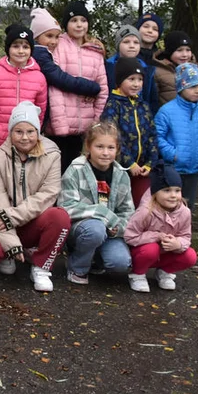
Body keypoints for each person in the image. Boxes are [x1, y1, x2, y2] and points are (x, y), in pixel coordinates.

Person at [0, 102, 71, 293]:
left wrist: (14, 216)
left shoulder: (52, 155)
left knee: (60, 217)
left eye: (30, 131)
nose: (25, 137)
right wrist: (11, 242)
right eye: (18, 131)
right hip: (1, 218)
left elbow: (48, 194)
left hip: (31, 219)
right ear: (11, 132)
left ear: (38, 132)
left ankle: (41, 267)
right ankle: (9, 254)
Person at [59, 121, 135, 285]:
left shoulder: (122, 176)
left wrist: (117, 228)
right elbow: (66, 208)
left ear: (117, 149)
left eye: (110, 148)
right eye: (99, 147)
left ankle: (96, 260)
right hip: (82, 229)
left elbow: (128, 212)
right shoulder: (75, 170)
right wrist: (103, 214)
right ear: (88, 146)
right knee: (96, 229)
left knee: (120, 263)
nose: (105, 153)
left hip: (110, 231)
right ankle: (77, 268)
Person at [44, 1, 109, 170]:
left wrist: (95, 122)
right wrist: (60, 124)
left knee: (77, 171)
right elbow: (55, 85)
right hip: (60, 124)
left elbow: (102, 89)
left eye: (83, 20)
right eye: (74, 20)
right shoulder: (58, 46)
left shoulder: (95, 51)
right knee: (56, 170)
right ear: (66, 24)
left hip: (85, 125)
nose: (79, 24)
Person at [123, 163, 197, 292]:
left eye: (177, 190)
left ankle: (164, 272)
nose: (173, 195)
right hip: (142, 253)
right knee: (151, 249)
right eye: (167, 190)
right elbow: (130, 236)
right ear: (155, 193)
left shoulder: (185, 212)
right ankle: (138, 274)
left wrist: (178, 244)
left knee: (190, 256)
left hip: (165, 254)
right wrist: (156, 236)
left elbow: (186, 236)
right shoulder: (145, 211)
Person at [29, 8, 102, 132]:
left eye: (57, 37)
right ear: (36, 37)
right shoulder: (39, 55)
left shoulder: (44, 52)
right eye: (49, 36)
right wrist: (91, 87)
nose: (54, 41)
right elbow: (60, 78)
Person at [0, 24, 48, 150]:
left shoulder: (39, 77)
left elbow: (40, 111)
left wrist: (33, 132)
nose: (21, 51)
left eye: (25, 47)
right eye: (16, 46)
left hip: (26, 140)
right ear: (7, 48)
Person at [154, 63, 198, 210]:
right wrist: (173, 154)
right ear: (181, 87)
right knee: (170, 205)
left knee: (188, 206)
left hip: (195, 168)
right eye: (192, 86)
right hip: (174, 168)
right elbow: (157, 136)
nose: (197, 91)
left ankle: (185, 232)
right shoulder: (167, 111)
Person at [100, 57, 159, 204]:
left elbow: (152, 135)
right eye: (131, 79)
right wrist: (129, 163)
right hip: (118, 169)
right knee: (118, 204)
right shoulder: (113, 106)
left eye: (140, 79)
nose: (136, 84)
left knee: (143, 205)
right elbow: (111, 137)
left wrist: (150, 163)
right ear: (120, 81)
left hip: (142, 170)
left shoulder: (143, 106)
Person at [151, 31, 198, 110]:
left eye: (188, 50)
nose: (184, 54)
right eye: (179, 50)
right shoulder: (157, 72)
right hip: (168, 119)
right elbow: (153, 102)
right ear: (169, 52)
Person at [104, 25, 159, 109]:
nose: (132, 46)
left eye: (136, 42)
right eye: (126, 42)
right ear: (118, 45)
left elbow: (152, 100)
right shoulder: (107, 67)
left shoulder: (147, 70)